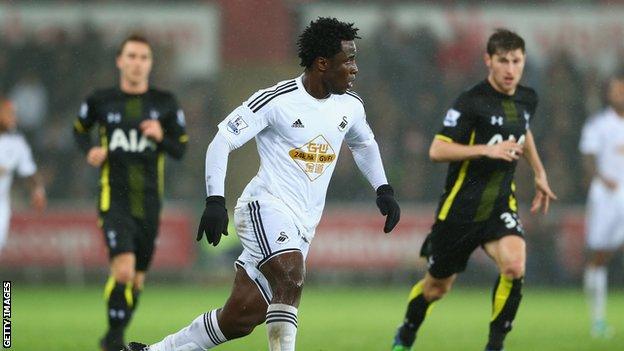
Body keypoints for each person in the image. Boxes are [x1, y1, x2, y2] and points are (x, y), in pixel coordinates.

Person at [127, 17, 400, 351]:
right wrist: (215, 201)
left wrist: (383, 189)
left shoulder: (350, 106)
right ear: (322, 63)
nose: (355, 69)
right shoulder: (277, 100)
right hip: (265, 207)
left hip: (302, 225)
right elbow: (222, 140)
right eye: (349, 60)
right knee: (291, 275)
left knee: (240, 318)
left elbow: (364, 144)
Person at [390, 29, 557, 351]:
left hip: (499, 205)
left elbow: (523, 131)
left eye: (517, 61)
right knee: (436, 288)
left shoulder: (526, 98)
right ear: (489, 61)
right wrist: (485, 150)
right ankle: (407, 332)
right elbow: (437, 150)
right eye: (503, 61)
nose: (510, 69)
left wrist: (539, 172)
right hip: (460, 210)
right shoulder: (470, 102)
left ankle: (495, 346)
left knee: (514, 266)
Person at [72, 34, 188, 351]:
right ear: (120, 61)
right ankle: (113, 340)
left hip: (150, 204)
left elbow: (180, 149)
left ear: (150, 63)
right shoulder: (100, 100)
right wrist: (90, 150)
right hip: (115, 200)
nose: (137, 63)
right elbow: (79, 129)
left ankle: (115, 332)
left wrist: (162, 136)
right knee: (122, 271)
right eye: (132, 56)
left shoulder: (164, 103)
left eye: (143, 57)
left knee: (136, 279)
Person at [579, 71, 624, 339]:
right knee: (599, 256)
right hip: (606, 196)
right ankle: (597, 321)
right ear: (608, 94)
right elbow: (587, 160)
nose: (620, 95)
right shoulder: (598, 125)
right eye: (616, 90)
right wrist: (599, 178)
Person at [0, 97, 46, 253]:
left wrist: (38, 191)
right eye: (9, 114)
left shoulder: (17, 143)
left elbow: (29, 171)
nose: (14, 118)